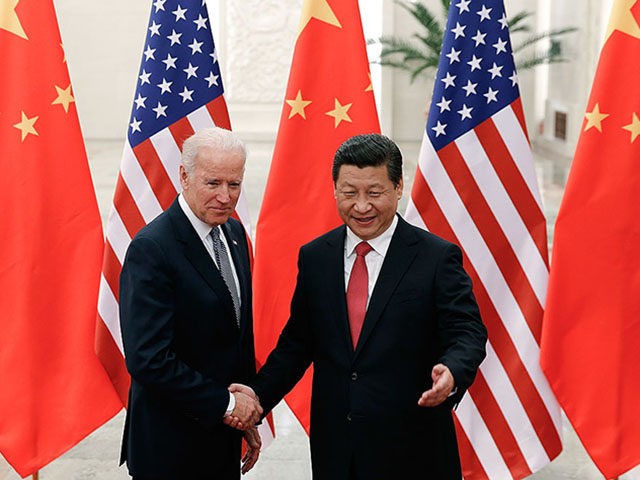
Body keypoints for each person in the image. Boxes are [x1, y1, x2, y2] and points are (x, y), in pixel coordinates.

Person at [230, 133, 487, 479]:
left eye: (375, 192)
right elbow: (297, 344)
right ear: (335, 190)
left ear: (398, 188)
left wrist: (452, 369)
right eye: (350, 193)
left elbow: (467, 331)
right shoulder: (316, 256)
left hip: (413, 450)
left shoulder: (436, 257)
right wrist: (256, 398)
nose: (362, 206)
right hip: (338, 451)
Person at [119, 127, 262, 480]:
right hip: (168, 448)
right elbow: (148, 359)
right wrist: (228, 405)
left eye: (235, 184)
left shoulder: (234, 234)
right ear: (184, 176)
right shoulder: (152, 248)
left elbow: (236, 333)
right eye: (213, 183)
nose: (226, 197)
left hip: (222, 440)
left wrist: (244, 411)